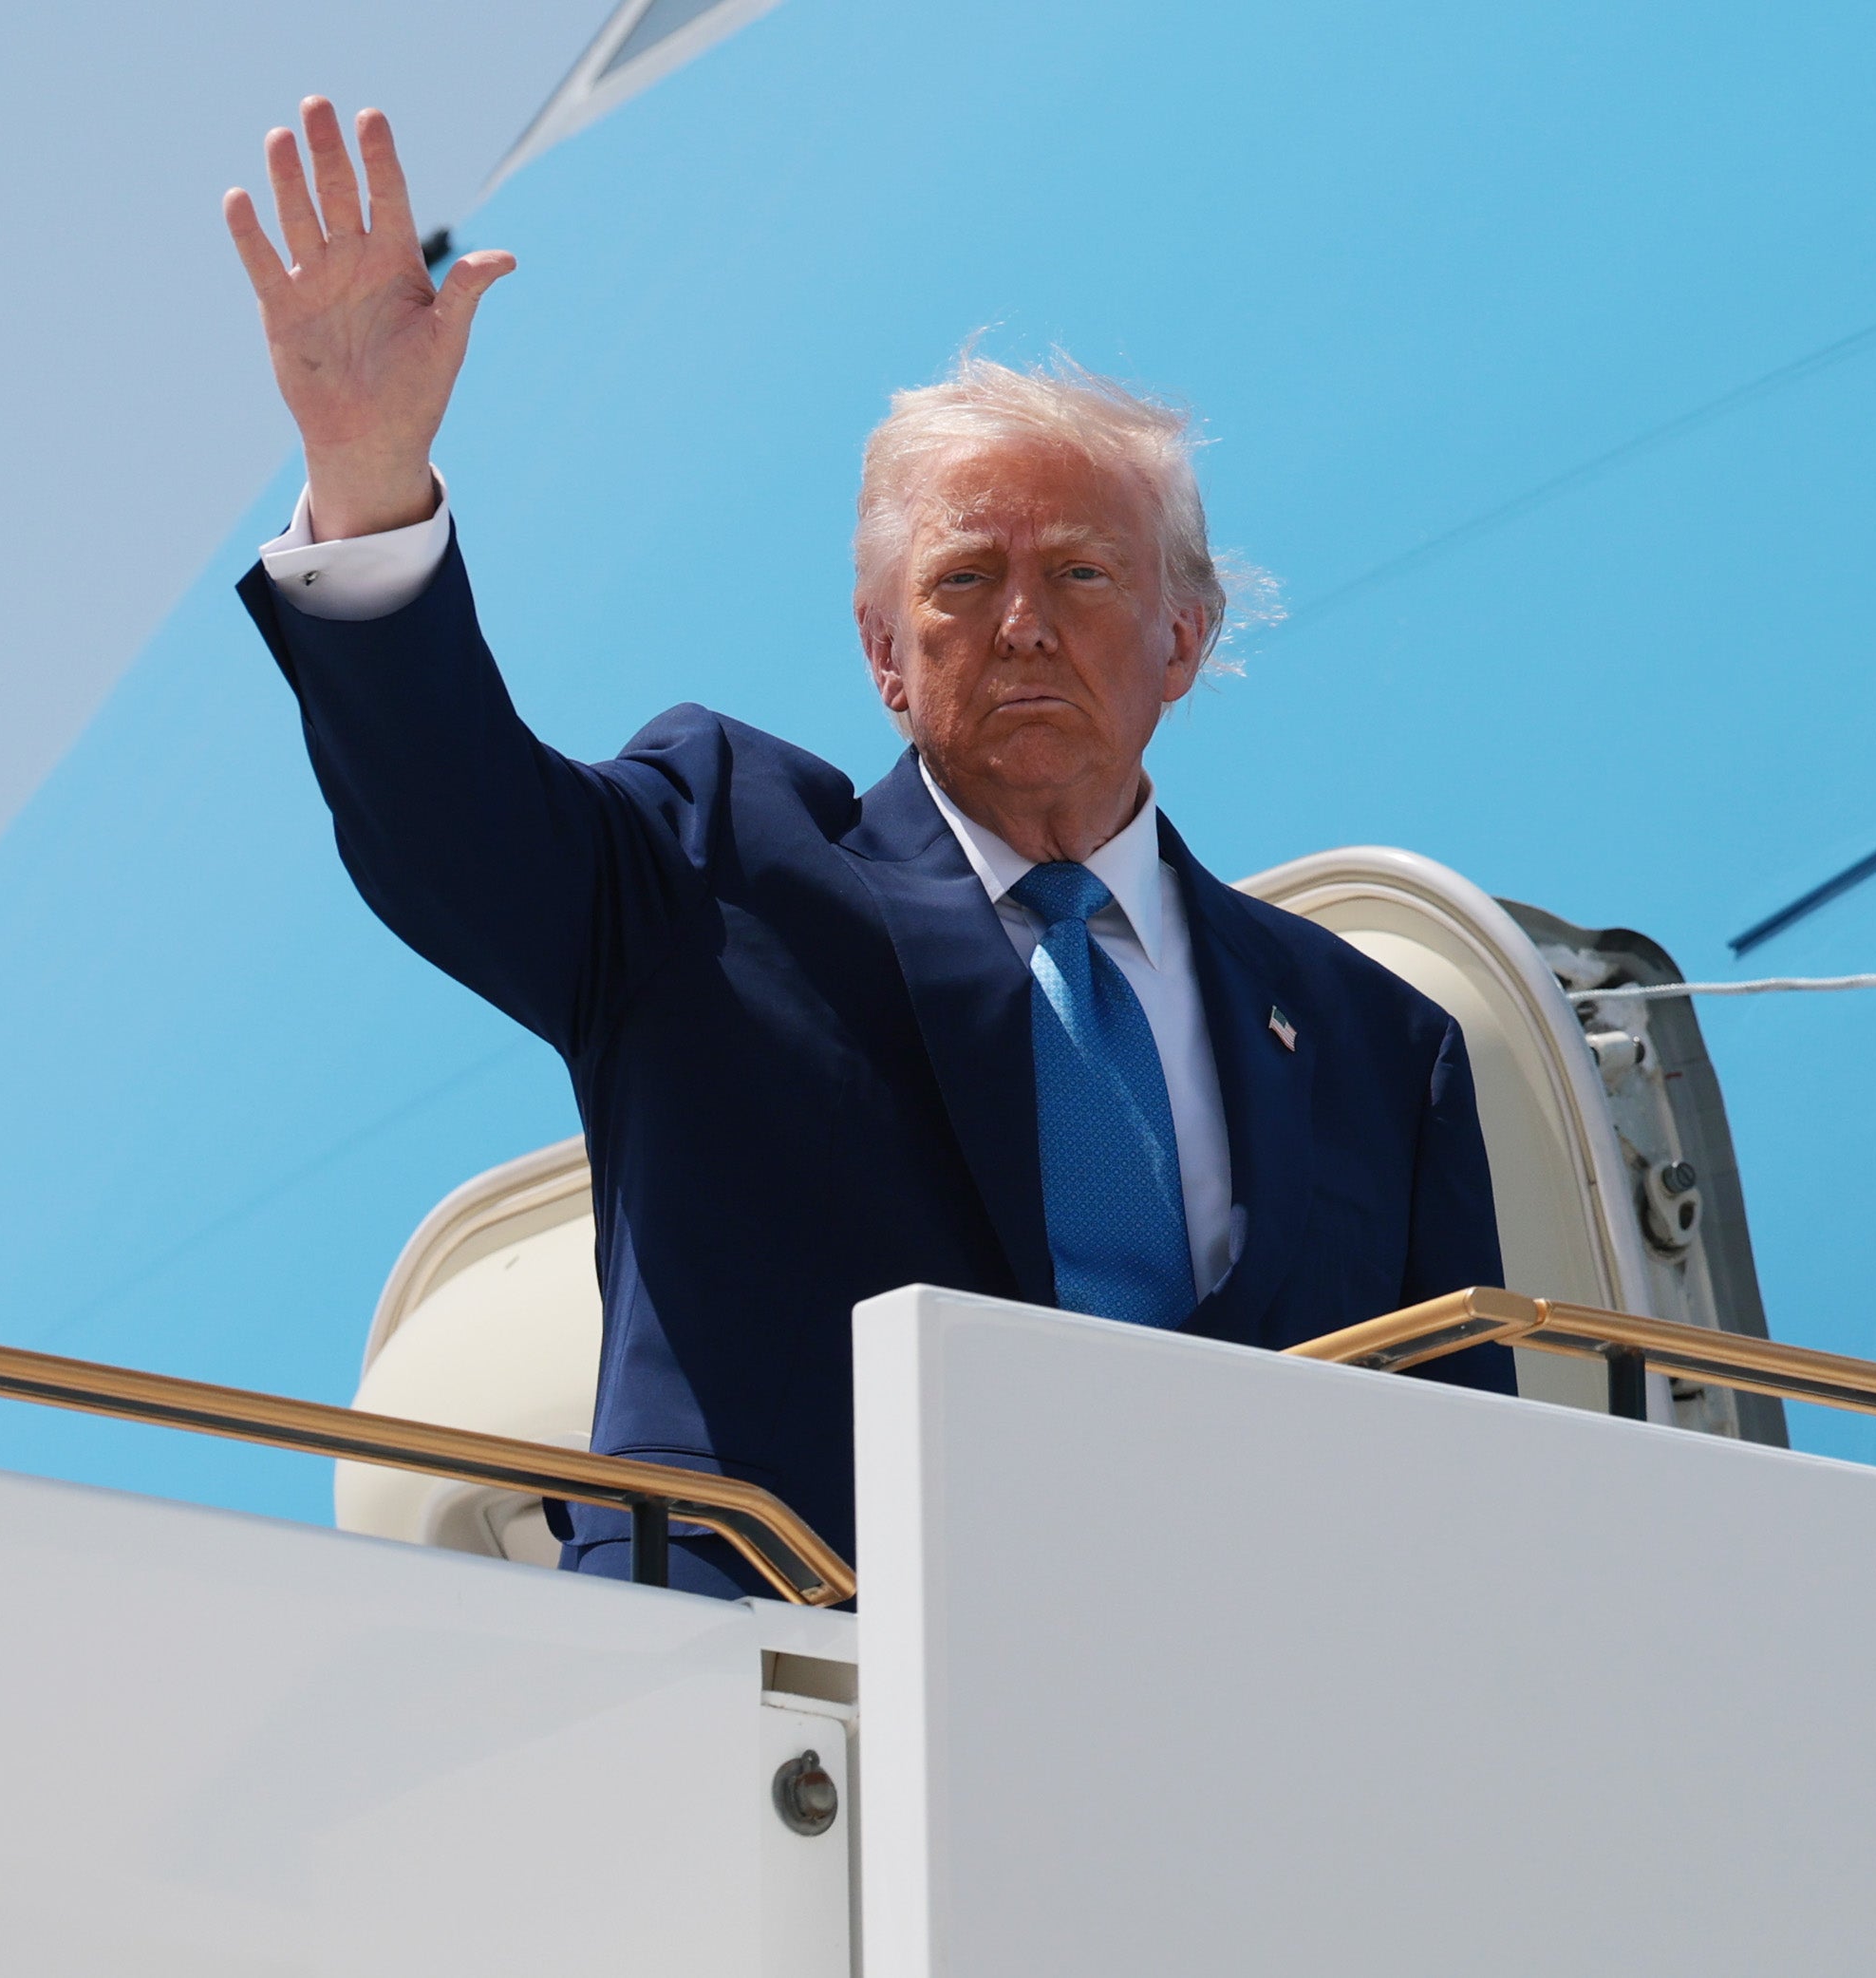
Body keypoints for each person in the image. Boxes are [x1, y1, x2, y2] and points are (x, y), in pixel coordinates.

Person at [226, 99, 1515, 1598]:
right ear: (884, 655)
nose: (1023, 622)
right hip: (786, 1727)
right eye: (965, 578)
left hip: (1230, 1761)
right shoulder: (716, 873)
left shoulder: (1374, 1044)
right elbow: (449, 824)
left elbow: (1462, 1494)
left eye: (1082, 574)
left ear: (1182, 634)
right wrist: (368, 476)